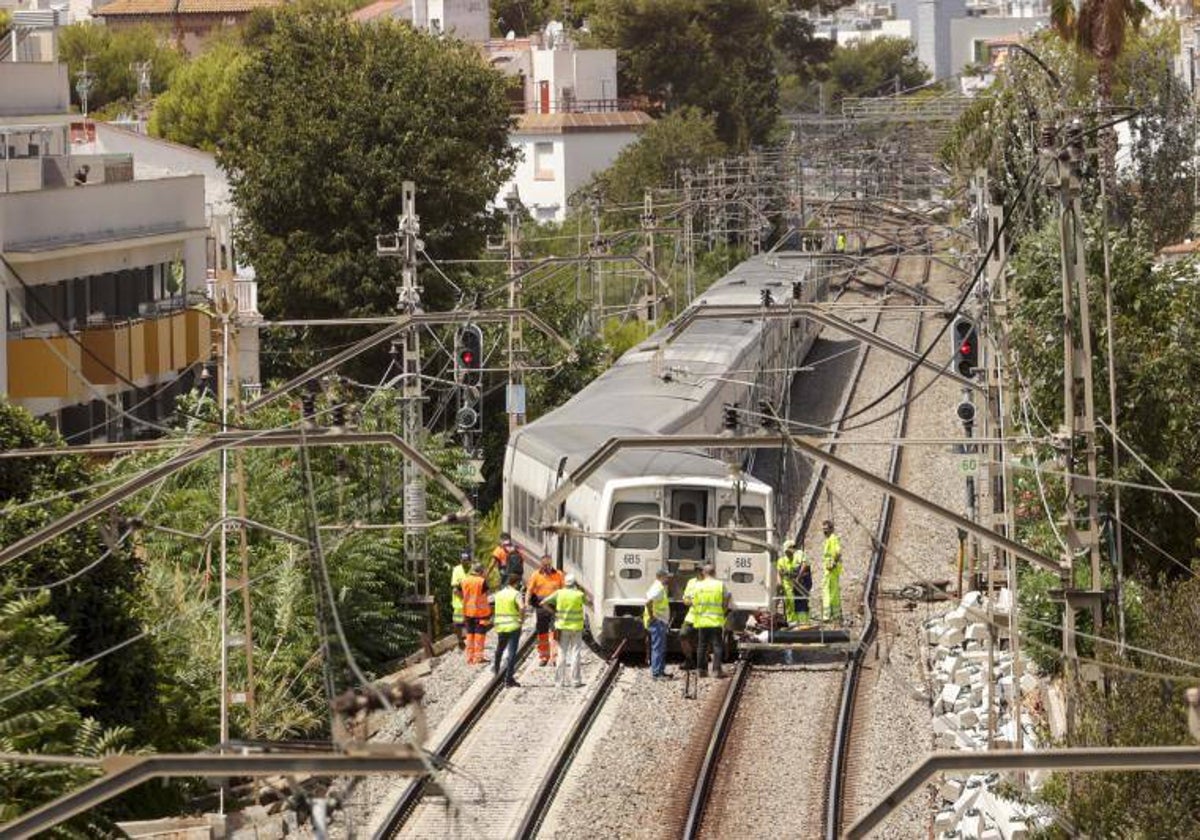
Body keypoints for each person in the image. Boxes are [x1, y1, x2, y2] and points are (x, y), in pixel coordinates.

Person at [685, 563, 730, 678]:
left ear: (704, 573)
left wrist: (699, 610)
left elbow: (691, 601)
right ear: (714, 573)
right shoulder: (720, 585)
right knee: (717, 646)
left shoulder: (698, 586)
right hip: (716, 620)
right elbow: (726, 598)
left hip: (702, 620)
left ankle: (701, 670)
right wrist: (722, 610)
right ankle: (716, 670)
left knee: (702, 645)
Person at [542, 573, 586, 687]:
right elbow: (589, 603)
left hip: (562, 627)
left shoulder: (559, 593)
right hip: (576, 628)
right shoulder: (579, 594)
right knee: (575, 654)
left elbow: (543, 603)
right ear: (574, 583)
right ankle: (575, 681)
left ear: (565, 583)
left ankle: (559, 682)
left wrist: (554, 612)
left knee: (561, 653)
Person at [527, 553, 565, 666]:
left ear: (551, 564)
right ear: (541, 564)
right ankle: (544, 656)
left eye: (548, 565)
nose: (547, 567)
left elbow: (564, 590)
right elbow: (530, 590)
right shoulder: (535, 575)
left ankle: (554, 657)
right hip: (541, 607)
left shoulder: (559, 574)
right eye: (544, 565)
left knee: (555, 631)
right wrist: (527, 603)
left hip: (555, 607)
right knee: (542, 632)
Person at [492, 573, 524, 687]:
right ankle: (508, 679)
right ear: (516, 583)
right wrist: (521, 619)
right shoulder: (516, 594)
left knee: (500, 648)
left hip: (501, 626)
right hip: (513, 626)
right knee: (511, 653)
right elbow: (522, 607)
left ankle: (495, 669)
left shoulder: (499, 594)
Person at [459, 563, 491, 665]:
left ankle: (470, 657)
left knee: (470, 635)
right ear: (480, 571)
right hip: (480, 612)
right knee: (479, 635)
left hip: (468, 611)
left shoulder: (464, 580)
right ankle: (478, 658)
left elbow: (459, 592)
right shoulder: (481, 581)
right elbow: (486, 594)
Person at [643, 568, 672, 679]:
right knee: (658, 647)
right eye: (666, 576)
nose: (668, 578)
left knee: (660, 647)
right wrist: (652, 617)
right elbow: (648, 602)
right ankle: (657, 673)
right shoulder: (658, 588)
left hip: (659, 621)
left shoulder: (658, 587)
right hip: (657, 622)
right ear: (662, 577)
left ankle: (660, 671)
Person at [821, 519, 843, 622]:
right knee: (833, 592)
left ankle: (827, 615)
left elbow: (838, 552)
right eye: (823, 529)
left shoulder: (833, 539)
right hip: (831, 570)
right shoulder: (829, 539)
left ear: (831, 529)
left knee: (827, 591)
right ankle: (836, 614)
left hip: (831, 570)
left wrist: (832, 564)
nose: (824, 531)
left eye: (826, 529)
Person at [776, 539, 800, 626]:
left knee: (795, 602)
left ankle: (795, 620)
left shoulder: (796, 560)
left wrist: (790, 574)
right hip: (786, 585)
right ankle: (791, 621)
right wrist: (780, 584)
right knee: (789, 603)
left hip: (796, 585)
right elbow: (778, 573)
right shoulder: (781, 561)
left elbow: (797, 572)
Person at [450, 550, 470, 648]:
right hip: (459, 602)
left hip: (470, 601)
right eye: (463, 560)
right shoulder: (457, 570)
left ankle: (470, 640)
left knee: (469, 622)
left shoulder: (472, 570)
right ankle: (460, 640)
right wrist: (463, 598)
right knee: (458, 623)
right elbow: (455, 589)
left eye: (466, 560)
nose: (464, 562)